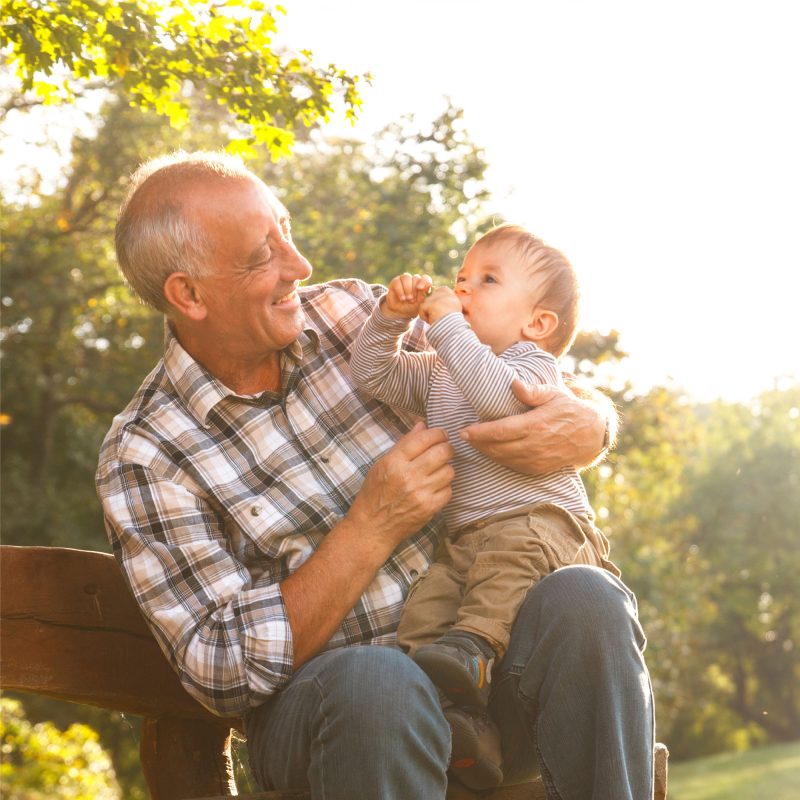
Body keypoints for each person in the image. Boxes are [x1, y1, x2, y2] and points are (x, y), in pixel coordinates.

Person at [96, 150, 655, 800]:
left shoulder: (353, 314)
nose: (300, 268)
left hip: (485, 682)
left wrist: (592, 420)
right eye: (261, 255)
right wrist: (369, 527)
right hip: (336, 716)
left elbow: (502, 372)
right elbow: (220, 671)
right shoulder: (146, 454)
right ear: (188, 294)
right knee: (379, 681)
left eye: (286, 232)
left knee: (586, 596)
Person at [349, 225, 622, 789]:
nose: (465, 290)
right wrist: (390, 320)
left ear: (537, 323)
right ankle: (466, 724)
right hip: (466, 541)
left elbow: (496, 399)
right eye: (460, 279)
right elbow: (373, 374)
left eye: (487, 281)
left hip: (541, 525)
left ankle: (473, 650)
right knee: (427, 611)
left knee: (500, 573)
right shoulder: (441, 367)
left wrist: (446, 323)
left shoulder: (532, 367)